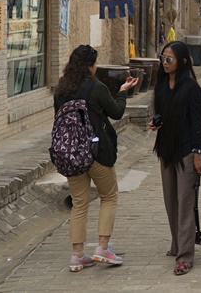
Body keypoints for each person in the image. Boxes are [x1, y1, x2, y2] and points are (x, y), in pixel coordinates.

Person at [54, 45, 138, 272]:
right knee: (109, 196)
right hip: (96, 153)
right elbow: (117, 112)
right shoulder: (96, 87)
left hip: (71, 155)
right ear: (91, 65)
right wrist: (122, 92)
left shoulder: (61, 91)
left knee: (79, 204)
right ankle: (102, 248)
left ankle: (77, 256)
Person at [150, 41, 201, 276]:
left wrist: (199, 153)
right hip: (166, 150)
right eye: (163, 58)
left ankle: (185, 255)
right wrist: (157, 120)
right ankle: (177, 244)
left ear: (182, 62)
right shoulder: (162, 85)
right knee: (170, 201)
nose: (165, 62)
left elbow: (198, 122)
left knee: (185, 204)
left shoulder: (191, 87)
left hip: (187, 151)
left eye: (169, 59)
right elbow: (161, 112)